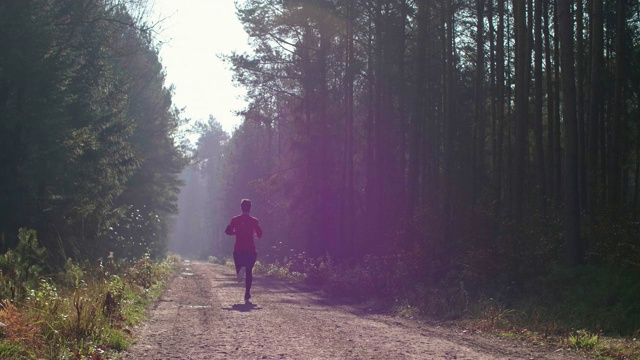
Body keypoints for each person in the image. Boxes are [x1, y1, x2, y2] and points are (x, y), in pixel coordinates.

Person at [225, 198, 263, 302]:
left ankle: (240, 269)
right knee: (249, 271)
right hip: (251, 250)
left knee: (240, 268)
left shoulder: (235, 219)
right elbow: (260, 233)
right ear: (250, 208)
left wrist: (235, 232)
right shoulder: (254, 221)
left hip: (238, 249)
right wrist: (256, 236)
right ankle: (247, 294)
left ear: (241, 208)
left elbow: (227, 231)